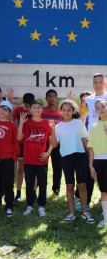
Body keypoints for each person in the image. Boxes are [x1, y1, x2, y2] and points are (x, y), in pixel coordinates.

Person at [50, 100, 94, 224]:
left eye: (69, 110)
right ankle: (71, 213)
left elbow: (85, 141)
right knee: (69, 186)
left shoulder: (78, 123)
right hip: (66, 158)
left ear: (73, 111)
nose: (66, 112)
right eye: (64, 110)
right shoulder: (58, 126)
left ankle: (85, 211)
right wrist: (52, 130)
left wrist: (91, 156)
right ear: (60, 111)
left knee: (82, 185)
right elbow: (53, 144)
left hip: (80, 157)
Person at [17, 100, 53, 217]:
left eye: (39, 107)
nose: (36, 110)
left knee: (42, 184)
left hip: (42, 159)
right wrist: (21, 123)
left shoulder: (47, 124)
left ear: (42, 110)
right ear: (30, 110)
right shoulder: (27, 123)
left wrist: (48, 153)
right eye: (34, 107)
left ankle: (41, 206)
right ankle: (29, 205)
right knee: (29, 183)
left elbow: (53, 142)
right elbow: (19, 138)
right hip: (29, 159)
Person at [80, 73, 107, 209]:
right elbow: (83, 117)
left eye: (101, 82)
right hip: (92, 141)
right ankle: (87, 202)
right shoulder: (88, 100)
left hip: (105, 141)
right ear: (92, 84)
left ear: (105, 83)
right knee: (89, 171)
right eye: (95, 82)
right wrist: (84, 135)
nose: (98, 84)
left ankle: (105, 206)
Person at [88, 99, 107, 228]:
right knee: (104, 191)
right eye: (98, 108)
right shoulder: (94, 127)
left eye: (103, 106)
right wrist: (91, 165)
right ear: (95, 111)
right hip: (99, 162)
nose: (101, 109)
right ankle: (106, 219)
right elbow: (91, 149)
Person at [12, 92, 34, 202]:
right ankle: (18, 192)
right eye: (26, 105)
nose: (28, 107)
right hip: (21, 143)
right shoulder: (18, 110)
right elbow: (12, 121)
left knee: (32, 170)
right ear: (23, 102)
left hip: (33, 143)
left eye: (30, 105)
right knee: (20, 168)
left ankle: (33, 192)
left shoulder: (36, 110)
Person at [42, 89, 62, 196]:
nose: (52, 98)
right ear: (46, 99)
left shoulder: (60, 112)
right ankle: (41, 187)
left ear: (57, 98)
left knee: (57, 167)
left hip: (57, 144)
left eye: (54, 96)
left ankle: (56, 188)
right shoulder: (42, 111)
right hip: (43, 143)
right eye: (49, 96)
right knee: (42, 167)